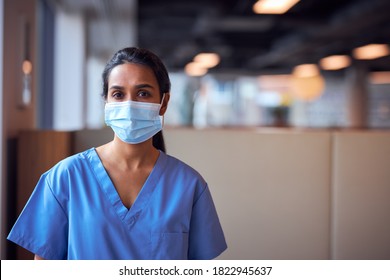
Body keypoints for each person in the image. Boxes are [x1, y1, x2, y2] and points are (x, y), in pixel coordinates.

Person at [7, 47, 227, 260]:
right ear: (106, 102)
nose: (129, 104)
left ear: (163, 103)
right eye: (118, 94)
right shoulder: (66, 178)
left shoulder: (189, 185)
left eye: (143, 93)